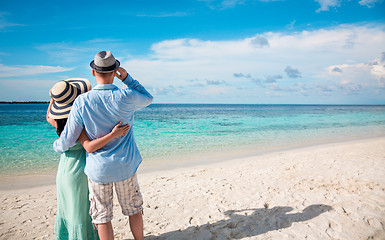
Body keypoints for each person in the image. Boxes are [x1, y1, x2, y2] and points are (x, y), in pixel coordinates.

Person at [53, 51, 153, 240]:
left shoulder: (82, 101)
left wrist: (57, 146)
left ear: (93, 73)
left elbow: (68, 139)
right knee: (133, 209)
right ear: (115, 71)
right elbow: (148, 98)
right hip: (125, 165)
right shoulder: (127, 96)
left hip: (99, 169)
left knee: (102, 216)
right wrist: (128, 78)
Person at [46, 78, 130, 240]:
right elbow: (90, 146)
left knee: (68, 209)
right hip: (79, 172)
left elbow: (48, 116)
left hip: (63, 172)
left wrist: (52, 99)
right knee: (81, 211)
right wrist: (113, 135)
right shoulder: (79, 127)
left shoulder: (59, 124)